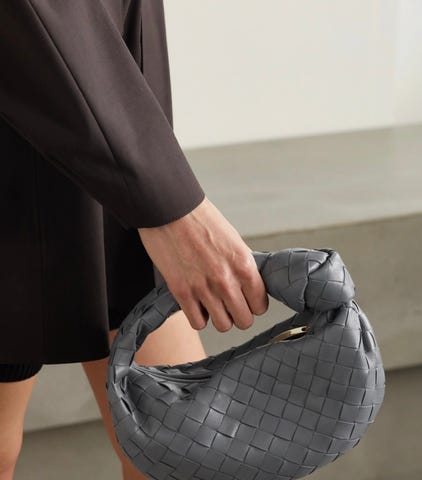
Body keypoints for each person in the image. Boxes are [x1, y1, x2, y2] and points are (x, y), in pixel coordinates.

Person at [0, 1, 268, 479]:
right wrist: (174, 208)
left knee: (183, 452)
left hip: (109, 120)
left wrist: (158, 192)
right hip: (39, 109)